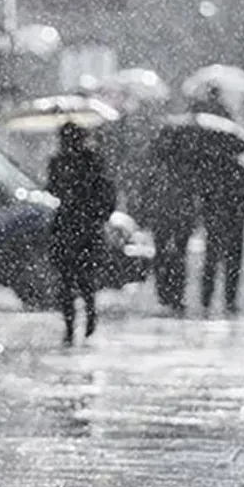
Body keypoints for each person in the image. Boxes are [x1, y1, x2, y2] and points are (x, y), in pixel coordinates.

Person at [45, 122, 117, 346]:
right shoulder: (58, 162)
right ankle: (70, 326)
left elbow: (105, 193)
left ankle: (89, 316)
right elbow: (52, 188)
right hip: (67, 226)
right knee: (66, 281)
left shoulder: (92, 161)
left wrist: (95, 213)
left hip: (85, 227)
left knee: (84, 280)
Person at [132, 135, 197, 314]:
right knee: (178, 256)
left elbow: (145, 196)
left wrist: (144, 215)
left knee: (162, 255)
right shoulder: (186, 173)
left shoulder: (157, 172)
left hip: (163, 220)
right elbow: (193, 198)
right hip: (179, 220)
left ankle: (165, 291)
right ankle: (175, 293)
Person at [198, 156, 244, 314]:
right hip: (234, 222)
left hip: (215, 222)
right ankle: (230, 300)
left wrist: (204, 214)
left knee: (211, 261)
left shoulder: (211, 171)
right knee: (232, 262)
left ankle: (206, 299)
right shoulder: (242, 171)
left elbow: (202, 196)